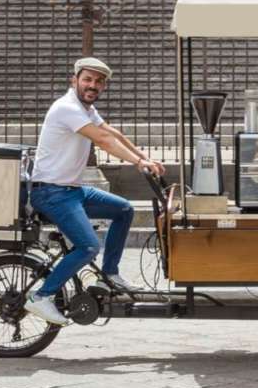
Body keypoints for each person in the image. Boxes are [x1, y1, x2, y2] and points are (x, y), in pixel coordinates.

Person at [24, 57, 165, 326]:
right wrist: (137, 163)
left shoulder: (85, 108)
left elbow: (111, 132)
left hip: (72, 190)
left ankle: (108, 274)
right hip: (51, 193)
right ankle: (41, 296)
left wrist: (144, 157)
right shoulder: (67, 107)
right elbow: (102, 140)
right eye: (87, 79)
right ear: (74, 80)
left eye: (99, 81)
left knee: (123, 209)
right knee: (88, 247)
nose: (93, 85)